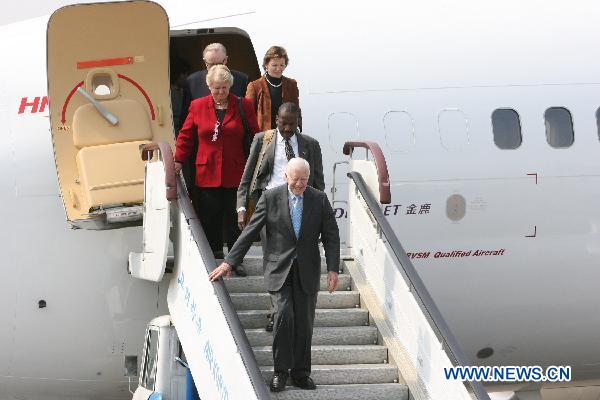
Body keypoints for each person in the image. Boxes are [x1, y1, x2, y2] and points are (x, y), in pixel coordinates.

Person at [209, 158, 340, 393]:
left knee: (304, 322)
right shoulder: (270, 198)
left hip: (307, 270)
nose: (300, 184)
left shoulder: (319, 199)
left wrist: (332, 269)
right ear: (285, 177)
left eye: (304, 179)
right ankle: (280, 372)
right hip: (279, 269)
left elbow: (331, 236)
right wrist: (230, 262)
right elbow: (251, 232)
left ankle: (301, 373)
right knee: (284, 315)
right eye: (295, 179)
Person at [236, 102, 324, 331]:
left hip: (301, 207)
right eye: (283, 123)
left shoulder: (311, 145)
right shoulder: (262, 141)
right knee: (273, 259)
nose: (287, 129)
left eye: (291, 124)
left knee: (297, 260)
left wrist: (322, 214)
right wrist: (241, 207)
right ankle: (277, 312)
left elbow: (319, 183)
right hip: (271, 206)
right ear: (276, 119)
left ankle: (291, 308)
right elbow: (248, 177)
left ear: (298, 122)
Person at [174, 64, 259, 275]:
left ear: (230, 86)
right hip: (206, 171)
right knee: (209, 217)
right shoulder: (197, 106)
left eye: (224, 87)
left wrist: (258, 163)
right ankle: (213, 257)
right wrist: (177, 161)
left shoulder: (243, 105)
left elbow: (256, 136)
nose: (220, 92)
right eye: (216, 88)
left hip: (235, 170)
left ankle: (235, 259)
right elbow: (185, 137)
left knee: (234, 218)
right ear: (209, 86)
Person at [181, 43, 249, 125]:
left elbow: (248, 113)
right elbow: (185, 115)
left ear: (226, 60)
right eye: (211, 65)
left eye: (219, 63)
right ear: (205, 62)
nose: (216, 68)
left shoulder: (242, 80)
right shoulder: (192, 81)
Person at [246, 46, 300, 131]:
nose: (279, 69)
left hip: (287, 134)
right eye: (274, 65)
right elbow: (248, 115)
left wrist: (298, 128)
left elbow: (296, 110)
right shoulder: (254, 86)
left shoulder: (291, 84)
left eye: (282, 65)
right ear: (266, 65)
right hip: (265, 137)